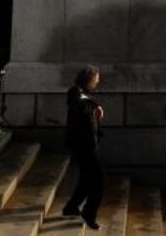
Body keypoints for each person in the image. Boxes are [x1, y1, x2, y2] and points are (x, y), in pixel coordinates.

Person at [62, 65, 105, 230]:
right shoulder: (75, 93)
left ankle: (71, 207)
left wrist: (95, 106)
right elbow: (78, 101)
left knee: (86, 178)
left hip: (87, 144)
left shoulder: (85, 95)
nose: (96, 83)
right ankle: (89, 213)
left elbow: (86, 101)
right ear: (88, 79)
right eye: (95, 80)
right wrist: (95, 106)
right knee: (99, 179)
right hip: (83, 146)